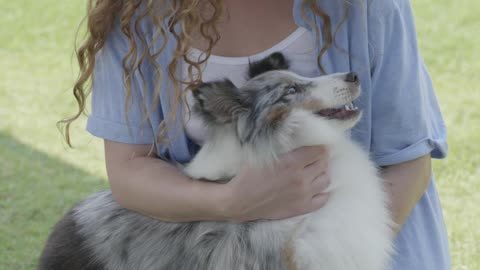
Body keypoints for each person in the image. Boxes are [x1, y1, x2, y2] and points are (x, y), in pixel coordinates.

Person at [62, 0, 450, 269]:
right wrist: (230, 201)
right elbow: (130, 170)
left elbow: (408, 165)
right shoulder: (134, 17)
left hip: (371, 251)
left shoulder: (368, 7)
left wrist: (341, 258)